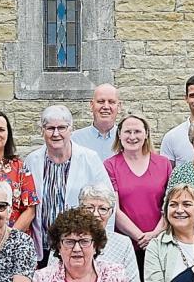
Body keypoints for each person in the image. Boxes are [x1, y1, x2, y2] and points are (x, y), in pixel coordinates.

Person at [24, 105, 114, 258]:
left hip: (79, 248)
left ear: (71, 130)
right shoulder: (32, 160)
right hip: (43, 247)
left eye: (62, 128)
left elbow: (109, 201)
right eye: (50, 128)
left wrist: (103, 241)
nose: (56, 133)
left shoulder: (89, 158)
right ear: (42, 131)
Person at [105, 113, 171, 250]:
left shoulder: (163, 164)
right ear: (119, 134)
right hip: (125, 245)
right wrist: (141, 237)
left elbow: (171, 204)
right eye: (127, 132)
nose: (132, 137)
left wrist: (155, 235)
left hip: (160, 242)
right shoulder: (110, 166)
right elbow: (114, 209)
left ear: (146, 134)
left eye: (137, 131)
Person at [72, 84, 123, 160]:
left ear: (119, 107)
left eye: (111, 102)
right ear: (92, 105)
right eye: (101, 101)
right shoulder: (75, 139)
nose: (106, 107)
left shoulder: (126, 139)